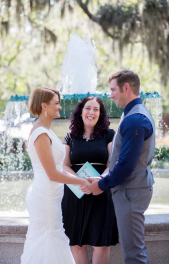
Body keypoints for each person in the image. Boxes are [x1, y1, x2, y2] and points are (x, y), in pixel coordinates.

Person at [87, 70, 155, 264]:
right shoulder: (134, 114)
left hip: (131, 193)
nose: (110, 94)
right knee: (133, 250)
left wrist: (101, 185)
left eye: (113, 89)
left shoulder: (135, 119)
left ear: (126, 87)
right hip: (132, 190)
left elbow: (126, 165)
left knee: (134, 254)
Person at [20, 87, 91, 264]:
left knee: (51, 238)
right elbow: (52, 174)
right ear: (44, 106)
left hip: (50, 195)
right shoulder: (41, 133)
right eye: (56, 103)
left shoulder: (44, 130)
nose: (60, 107)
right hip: (45, 195)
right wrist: (82, 181)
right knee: (48, 239)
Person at [62, 96, 119, 264]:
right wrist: (82, 182)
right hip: (75, 192)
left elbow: (112, 164)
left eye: (96, 109)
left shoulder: (109, 135)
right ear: (81, 111)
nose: (91, 112)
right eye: (88, 108)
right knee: (77, 243)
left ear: (100, 114)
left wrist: (100, 180)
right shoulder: (70, 136)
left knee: (101, 243)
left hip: (101, 191)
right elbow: (64, 165)